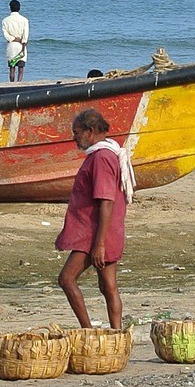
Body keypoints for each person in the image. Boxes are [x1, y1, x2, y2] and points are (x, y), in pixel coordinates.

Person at [55, 109, 131, 330]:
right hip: (104, 231)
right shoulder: (106, 154)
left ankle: (88, 330)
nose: (74, 138)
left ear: (90, 132)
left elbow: (106, 200)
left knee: (67, 279)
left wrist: (99, 244)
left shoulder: (102, 157)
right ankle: (116, 334)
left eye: (76, 132)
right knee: (108, 286)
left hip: (94, 233)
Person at [2, 0, 30, 81]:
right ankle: (19, 82)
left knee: (12, 68)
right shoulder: (24, 20)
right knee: (21, 68)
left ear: (10, 8)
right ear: (19, 8)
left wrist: (13, 39)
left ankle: (11, 83)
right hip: (21, 45)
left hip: (11, 45)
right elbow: (26, 35)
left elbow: (5, 34)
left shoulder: (5, 20)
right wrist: (23, 43)